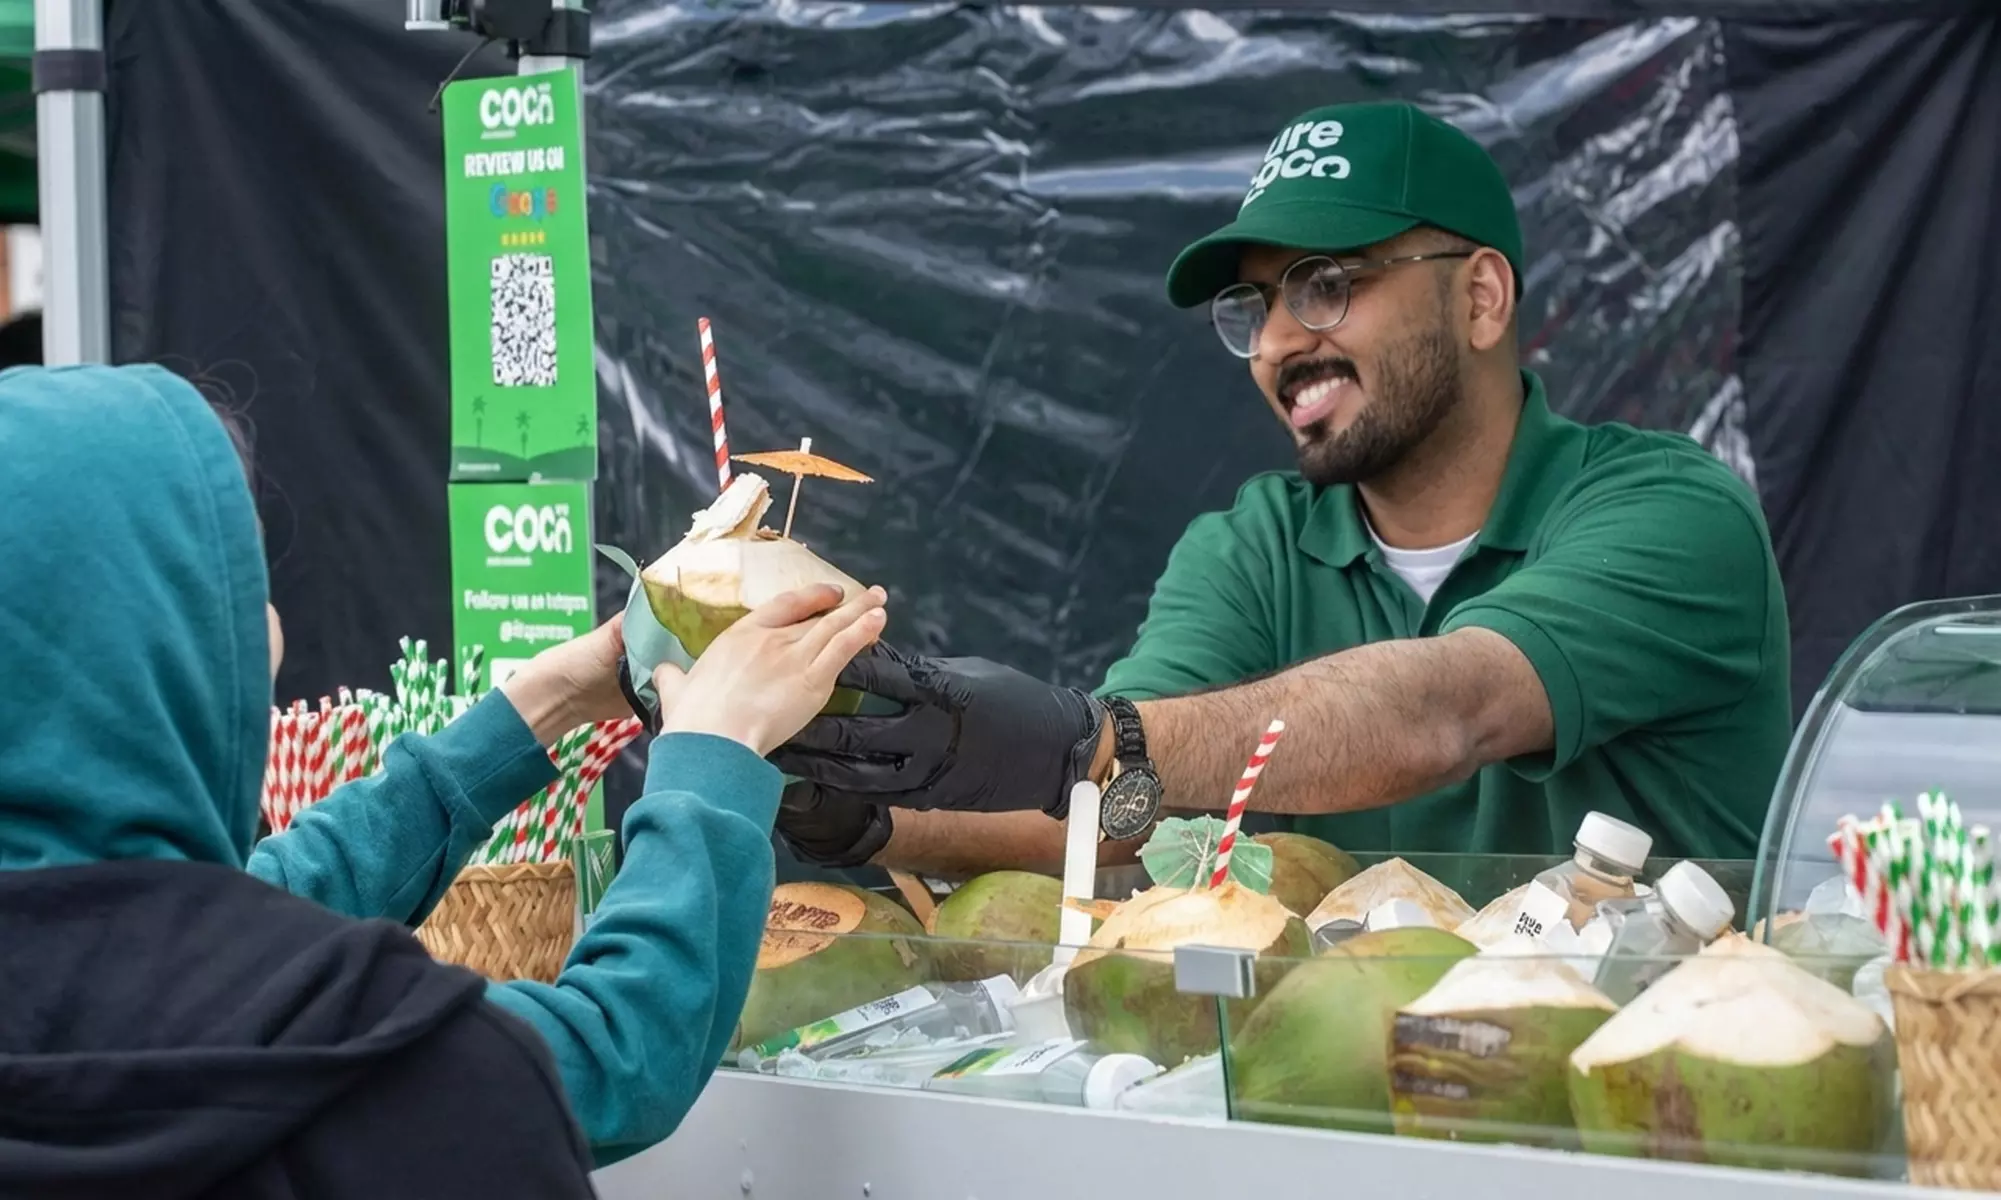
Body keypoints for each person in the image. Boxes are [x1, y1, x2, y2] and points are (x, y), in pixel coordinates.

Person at [769, 100, 1792, 876]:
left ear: (1480, 297)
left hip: (1652, 1112)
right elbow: (1132, 812)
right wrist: (861, 810)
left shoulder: (1671, 513)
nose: (1278, 343)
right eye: (1254, 307)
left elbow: (1453, 710)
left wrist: (1090, 738)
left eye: (1326, 286)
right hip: (1325, 1111)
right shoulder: (1255, 547)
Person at [0, 363, 887, 1195]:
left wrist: (533, 711)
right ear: (166, 654)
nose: (268, 630)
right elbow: (608, 1060)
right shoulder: (374, 1061)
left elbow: (245, 903)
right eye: (236, 589)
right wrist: (712, 762)